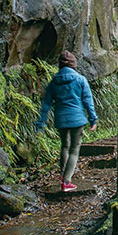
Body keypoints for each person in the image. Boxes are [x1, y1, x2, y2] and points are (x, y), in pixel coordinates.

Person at [36, 50, 98, 192]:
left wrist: (41, 123)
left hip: (61, 119)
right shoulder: (81, 80)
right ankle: (66, 181)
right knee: (74, 150)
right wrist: (93, 119)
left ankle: (62, 175)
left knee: (64, 146)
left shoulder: (54, 82)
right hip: (77, 119)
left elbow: (46, 105)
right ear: (73, 64)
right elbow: (88, 101)